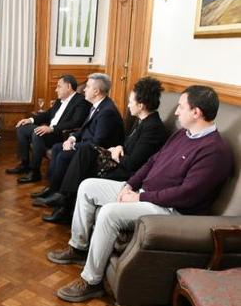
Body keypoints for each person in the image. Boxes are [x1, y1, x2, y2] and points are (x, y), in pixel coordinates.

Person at [48, 85, 232, 303]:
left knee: (108, 213)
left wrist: (139, 197)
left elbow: (186, 195)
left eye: (181, 107)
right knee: (88, 186)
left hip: (170, 209)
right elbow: (152, 161)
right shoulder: (183, 134)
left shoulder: (214, 151)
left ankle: (91, 282)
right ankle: (78, 248)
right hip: (146, 192)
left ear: (196, 112)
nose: (175, 112)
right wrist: (130, 184)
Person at [39, 77, 168, 223]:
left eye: (131, 102)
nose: (128, 105)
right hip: (117, 161)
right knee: (84, 152)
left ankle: (65, 203)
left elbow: (133, 163)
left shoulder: (153, 128)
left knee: (83, 155)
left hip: (127, 172)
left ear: (141, 105)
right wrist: (119, 147)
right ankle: (65, 202)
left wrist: (114, 153)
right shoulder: (142, 121)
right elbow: (128, 146)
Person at [31, 73, 125, 210]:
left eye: (87, 86)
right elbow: (84, 128)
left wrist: (74, 146)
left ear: (96, 91)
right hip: (87, 145)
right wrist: (72, 138)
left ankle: (60, 195)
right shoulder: (97, 105)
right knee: (58, 148)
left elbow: (98, 142)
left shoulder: (107, 111)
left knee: (63, 155)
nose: (84, 89)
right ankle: (53, 189)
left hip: (98, 153)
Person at [6, 75, 91, 184]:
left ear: (68, 87)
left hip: (61, 134)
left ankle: (35, 172)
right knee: (22, 128)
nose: (56, 90)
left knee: (37, 133)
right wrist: (30, 120)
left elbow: (76, 122)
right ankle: (24, 164)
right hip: (50, 131)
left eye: (59, 86)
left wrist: (51, 128)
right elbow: (47, 114)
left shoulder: (80, 101)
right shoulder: (60, 100)